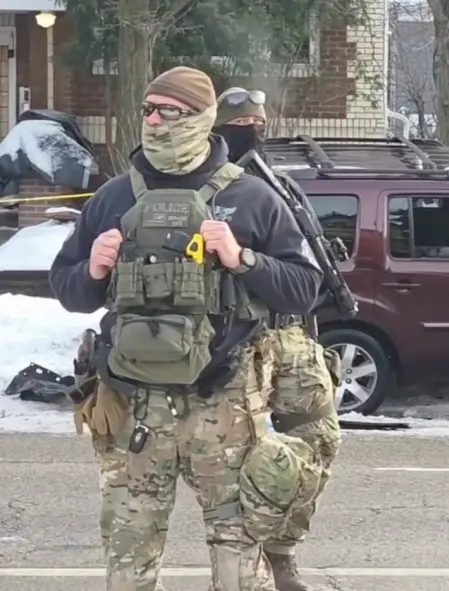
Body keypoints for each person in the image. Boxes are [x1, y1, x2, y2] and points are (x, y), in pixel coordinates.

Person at [49, 66, 323, 591]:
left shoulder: (252, 197)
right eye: (148, 110)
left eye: (168, 112)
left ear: (201, 117)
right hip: (134, 408)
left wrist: (243, 259)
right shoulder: (113, 197)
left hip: (223, 404)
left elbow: (304, 288)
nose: (153, 122)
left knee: (239, 562)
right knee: (128, 562)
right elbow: (66, 289)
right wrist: (92, 271)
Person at [212, 87, 342, 591]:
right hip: (236, 336)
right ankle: (246, 559)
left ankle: (281, 549)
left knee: (318, 441)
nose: (253, 131)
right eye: (240, 125)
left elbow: (303, 262)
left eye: (258, 123)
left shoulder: (276, 184)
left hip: (291, 332)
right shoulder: (211, 188)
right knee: (231, 460)